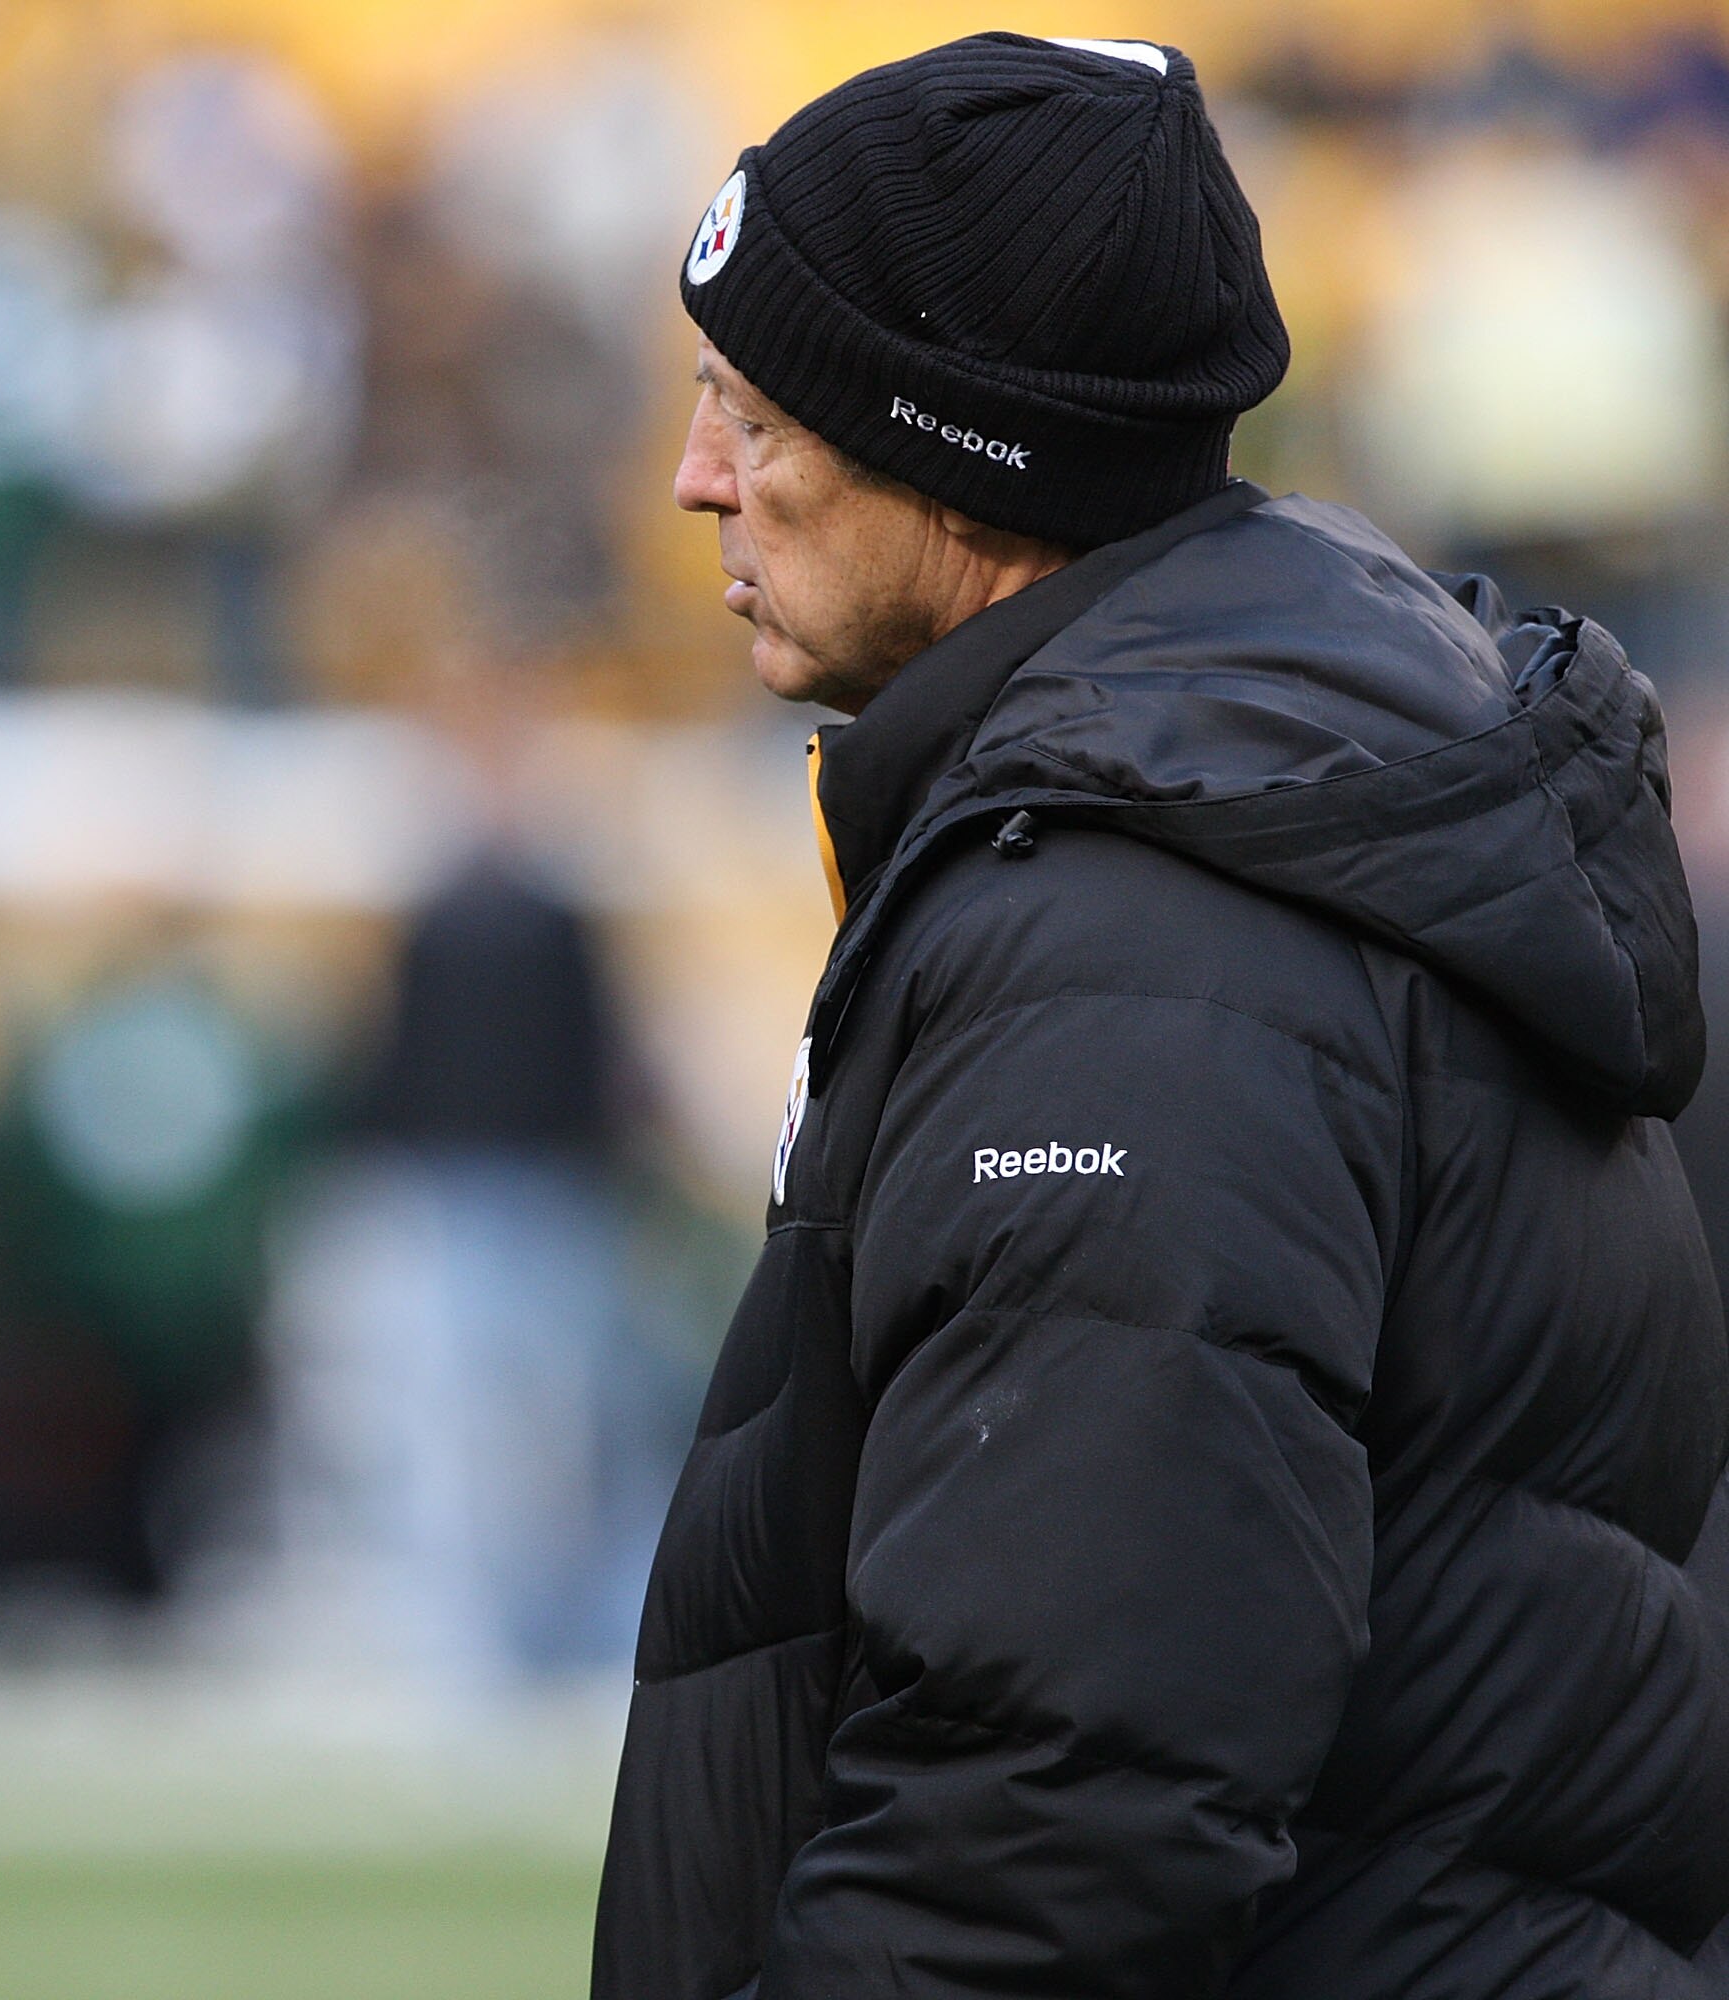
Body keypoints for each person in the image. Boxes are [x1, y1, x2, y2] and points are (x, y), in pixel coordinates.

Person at [593, 36, 1729, 2000]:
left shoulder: (1140, 934)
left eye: (754, 413)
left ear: (952, 455)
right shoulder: (1236, 810)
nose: (699, 478)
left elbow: (1058, 1795)